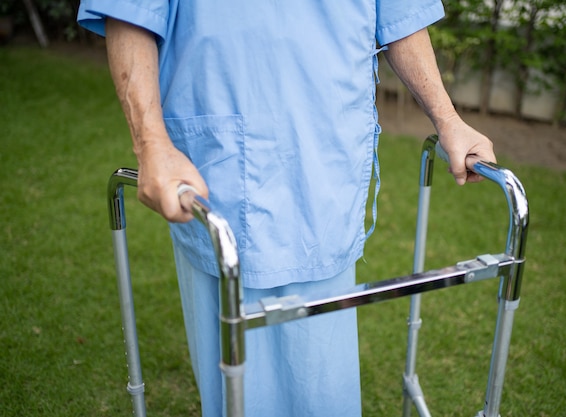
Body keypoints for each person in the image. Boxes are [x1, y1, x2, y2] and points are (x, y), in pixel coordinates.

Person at [78, 1, 496, 416]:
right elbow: (129, 9)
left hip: (324, 165)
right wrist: (151, 144)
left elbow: (399, 14)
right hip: (222, 165)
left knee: (323, 379)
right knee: (237, 381)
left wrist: (448, 119)